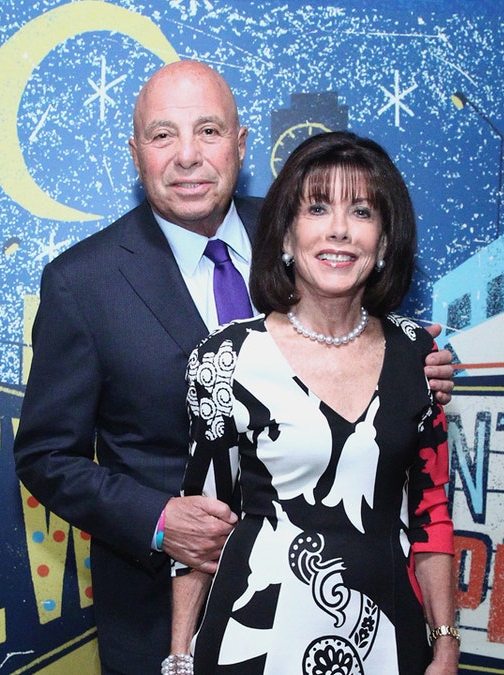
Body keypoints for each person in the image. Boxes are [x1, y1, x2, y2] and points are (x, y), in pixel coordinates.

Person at [14, 60, 455, 674]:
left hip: (343, 610)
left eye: (209, 131)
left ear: (241, 144)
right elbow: (44, 457)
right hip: (162, 619)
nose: (187, 156)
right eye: (163, 135)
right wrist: (160, 519)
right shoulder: (80, 284)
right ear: (135, 151)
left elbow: (374, 354)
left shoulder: (314, 228)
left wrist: (418, 370)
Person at [166, 131, 459, 675]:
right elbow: (202, 522)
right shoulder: (224, 358)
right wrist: (181, 655)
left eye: (363, 211)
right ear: (285, 235)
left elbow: (432, 516)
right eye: (318, 208)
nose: (340, 230)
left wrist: (445, 645)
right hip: (251, 640)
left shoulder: (418, 355)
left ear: (385, 241)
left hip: (387, 644)